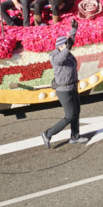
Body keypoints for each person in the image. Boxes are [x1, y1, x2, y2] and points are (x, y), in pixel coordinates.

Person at [40, 20, 87, 148]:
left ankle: (75, 137)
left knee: (76, 112)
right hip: (64, 91)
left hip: (73, 87)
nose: (68, 47)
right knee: (69, 116)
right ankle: (47, 134)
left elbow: (70, 41)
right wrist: (68, 47)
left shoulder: (67, 52)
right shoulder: (55, 57)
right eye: (65, 45)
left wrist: (73, 30)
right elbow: (62, 57)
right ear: (60, 47)